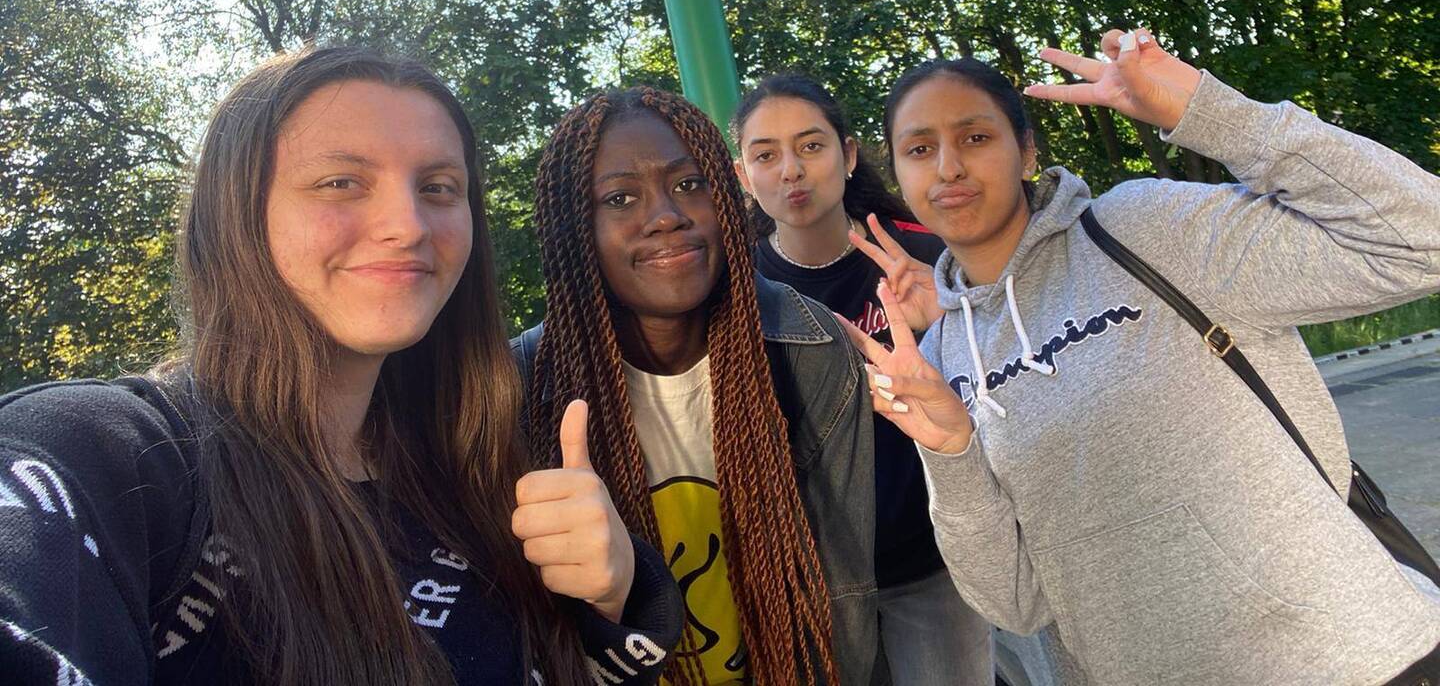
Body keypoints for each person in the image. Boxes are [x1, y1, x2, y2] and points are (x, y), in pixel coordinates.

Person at [0, 46, 683, 686]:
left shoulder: (481, 467)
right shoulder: (105, 456)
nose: (408, 225)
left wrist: (610, 601)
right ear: (236, 212)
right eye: (340, 182)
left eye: (439, 187)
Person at [849, 29, 1440, 685]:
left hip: (1344, 661)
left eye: (976, 137)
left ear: (1027, 151)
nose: (949, 167)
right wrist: (951, 451)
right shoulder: (942, 356)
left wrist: (1212, 113)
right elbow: (1013, 603)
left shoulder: (1144, 232)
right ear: (899, 173)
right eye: (920, 149)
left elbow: (1422, 241)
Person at [517, 85, 877, 686]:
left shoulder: (810, 348)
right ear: (575, 230)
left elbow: (844, 588)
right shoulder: (519, 388)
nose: (666, 215)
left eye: (690, 185)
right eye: (620, 198)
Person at [731, 73, 993, 686]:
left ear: (848, 155)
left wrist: (949, 323)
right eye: (765, 155)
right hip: (817, 579)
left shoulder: (929, 255)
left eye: (811, 145)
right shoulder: (735, 290)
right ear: (743, 176)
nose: (791, 170)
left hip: (937, 560)